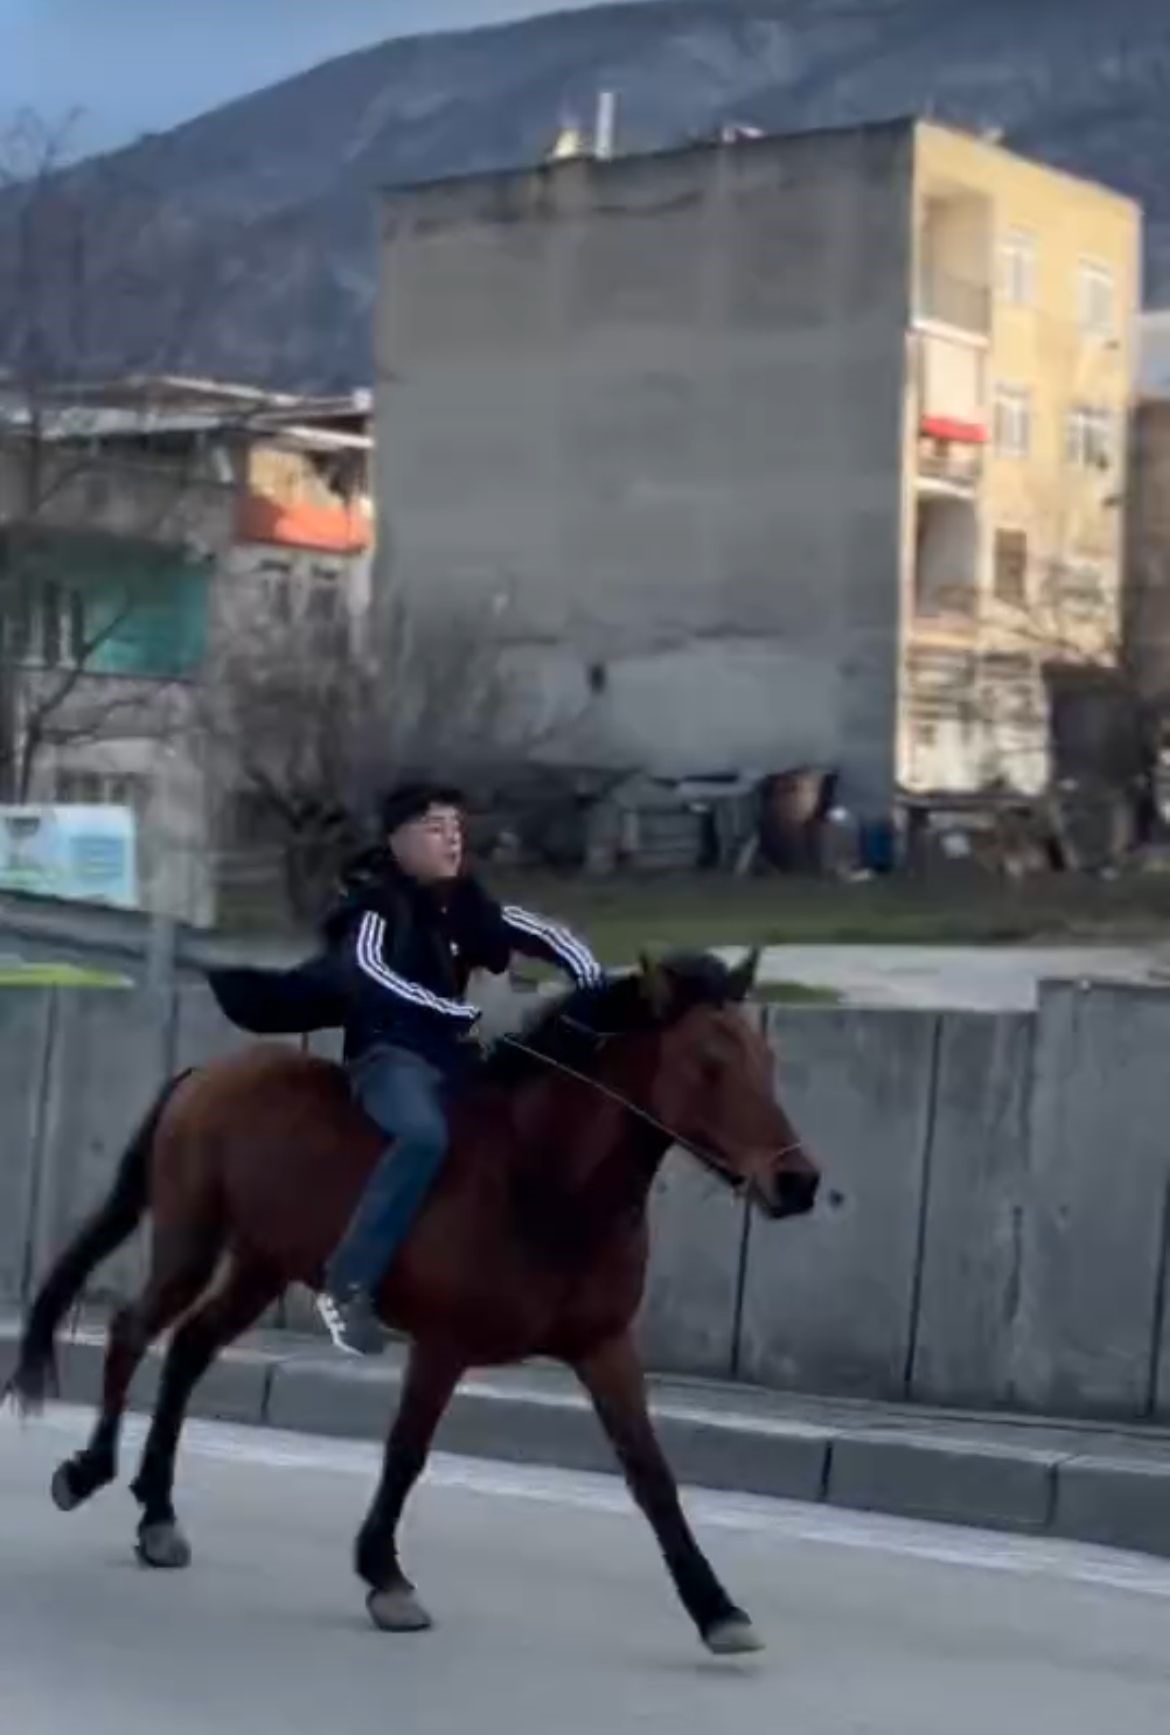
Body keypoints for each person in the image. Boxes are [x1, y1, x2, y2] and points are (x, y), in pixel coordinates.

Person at [312, 781, 603, 1355]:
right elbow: (370, 974)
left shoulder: (469, 905)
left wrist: (595, 983)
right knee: (422, 1138)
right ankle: (346, 1285)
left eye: (456, 829)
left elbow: (547, 936)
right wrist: (455, 1010)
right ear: (398, 841)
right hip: (389, 1056)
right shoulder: (374, 906)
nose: (451, 840)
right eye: (435, 828)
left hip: (457, 1057)